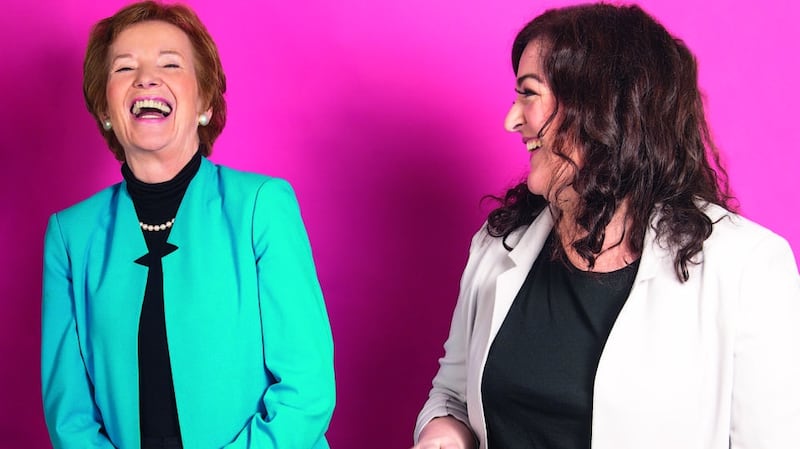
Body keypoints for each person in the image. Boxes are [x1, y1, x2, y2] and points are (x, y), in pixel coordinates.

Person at [412, 3, 800, 449]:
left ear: (596, 107)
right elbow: (452, 395)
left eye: (529, 93)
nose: (511, 119)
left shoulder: (747, 267)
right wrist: (443, 433)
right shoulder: (498, 246)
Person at [40, 2, 335, 448]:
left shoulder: (262, 207)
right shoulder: (69, 236)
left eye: (170, 64)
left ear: (204, 103)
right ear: (105, 109)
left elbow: (306, 390)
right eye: (125, 68)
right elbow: (70, 418)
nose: (146, 78)